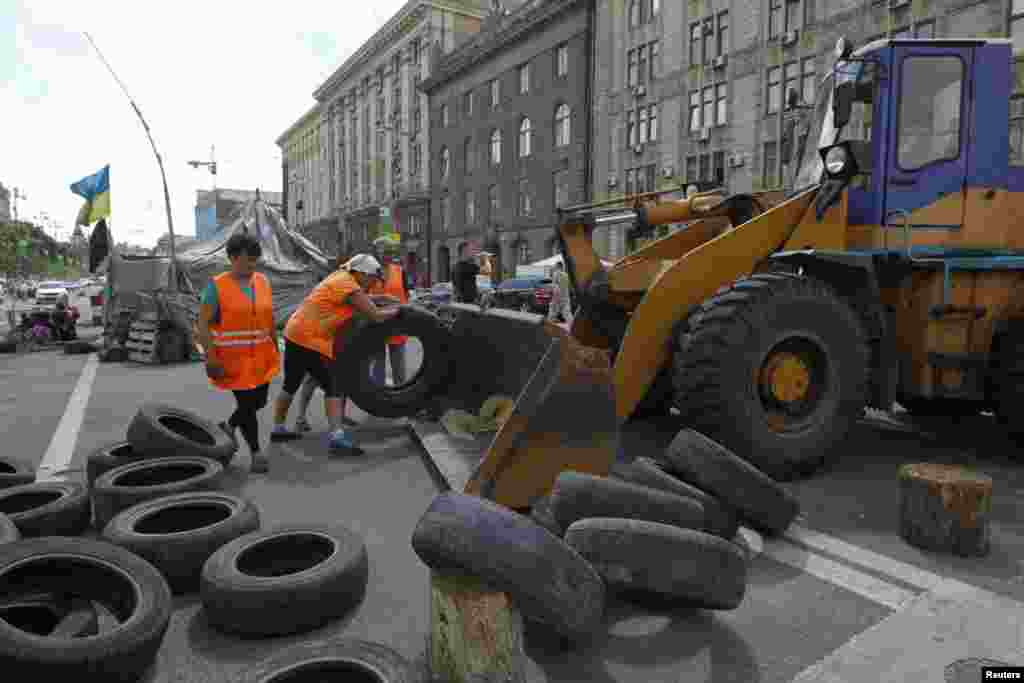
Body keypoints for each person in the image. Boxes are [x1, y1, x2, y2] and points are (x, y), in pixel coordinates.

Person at [270, 253, 400, 456]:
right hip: (310, 338)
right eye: (372, 279)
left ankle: (278, 428)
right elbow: (374, 315)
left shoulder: (341, 278)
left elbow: (359, 300)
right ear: (362, 274)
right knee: (334, 386)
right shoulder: (347, 284)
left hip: (295, 332)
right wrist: (400, 312)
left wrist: (382, 298)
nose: (373, 284)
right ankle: (337, 439)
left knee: (291, 383)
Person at [196, 232, 281, 473]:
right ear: (232, 258)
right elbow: (202, 324)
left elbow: (268, 316)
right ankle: (256, 452)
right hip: (233, 360)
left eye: (255, 259)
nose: (252, 264)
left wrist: (275, 344)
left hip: (262, 356)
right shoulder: (217, 286)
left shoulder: (263, 281)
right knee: (246, 404)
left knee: (258, 402)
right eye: (247, 260)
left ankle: (229, 426)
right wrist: (210, 357)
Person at [369, 238, 409, 387]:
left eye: (391, 252)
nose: (389, 255)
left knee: (399, 369)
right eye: (386, 252)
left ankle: (402, 398)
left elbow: (407, 296)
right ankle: (377, 400)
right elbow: (362, 296)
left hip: (397, 324)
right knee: (377, 368)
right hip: (376, 323)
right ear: (378, 252)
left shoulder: (400, 271)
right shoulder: (370, 272)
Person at [547, 261, 573, 325]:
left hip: (557, 297)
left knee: (552, 313)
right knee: (567, 313)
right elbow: (568, 286)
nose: (555, 267)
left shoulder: (556, 274)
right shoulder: (566, 275)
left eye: (555, 266)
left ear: (558, 266)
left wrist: (554, 295)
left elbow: (555, 286)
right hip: (565, 297)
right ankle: (573, 325)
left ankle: (549, 326)